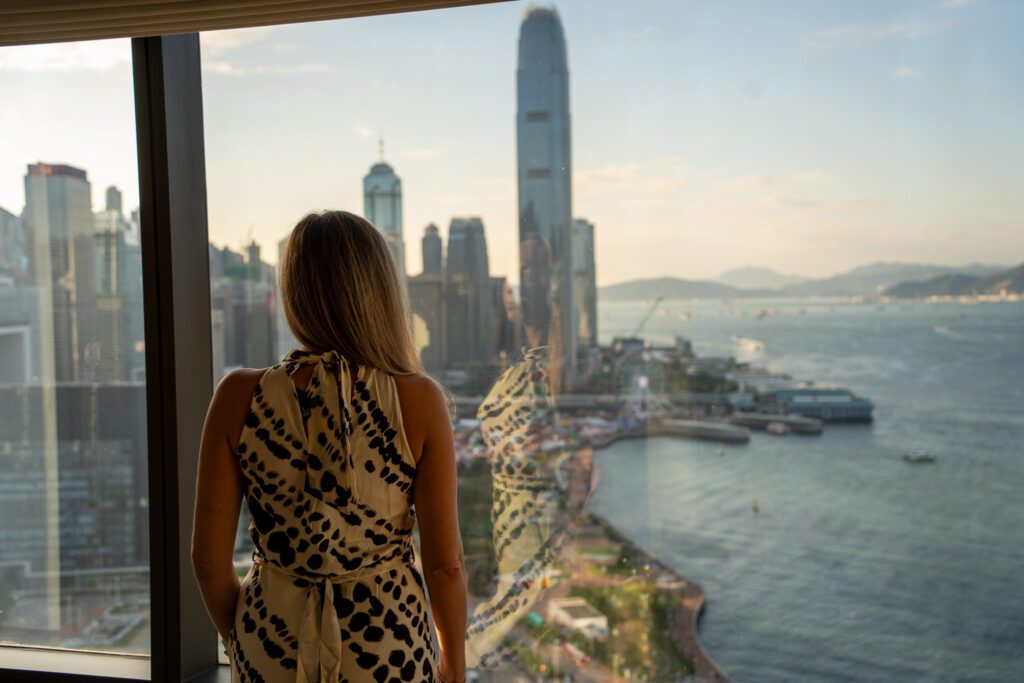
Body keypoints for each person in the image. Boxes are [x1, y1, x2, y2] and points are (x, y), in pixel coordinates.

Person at [191, 210, 467, 683]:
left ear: (293, 294)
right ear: (380, 295)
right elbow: (444, 568)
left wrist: (246, 639)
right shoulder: (417, 400)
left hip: (271, 641)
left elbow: (208, 562)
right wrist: (454, 669)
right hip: (388, 649)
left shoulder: (237, 396)